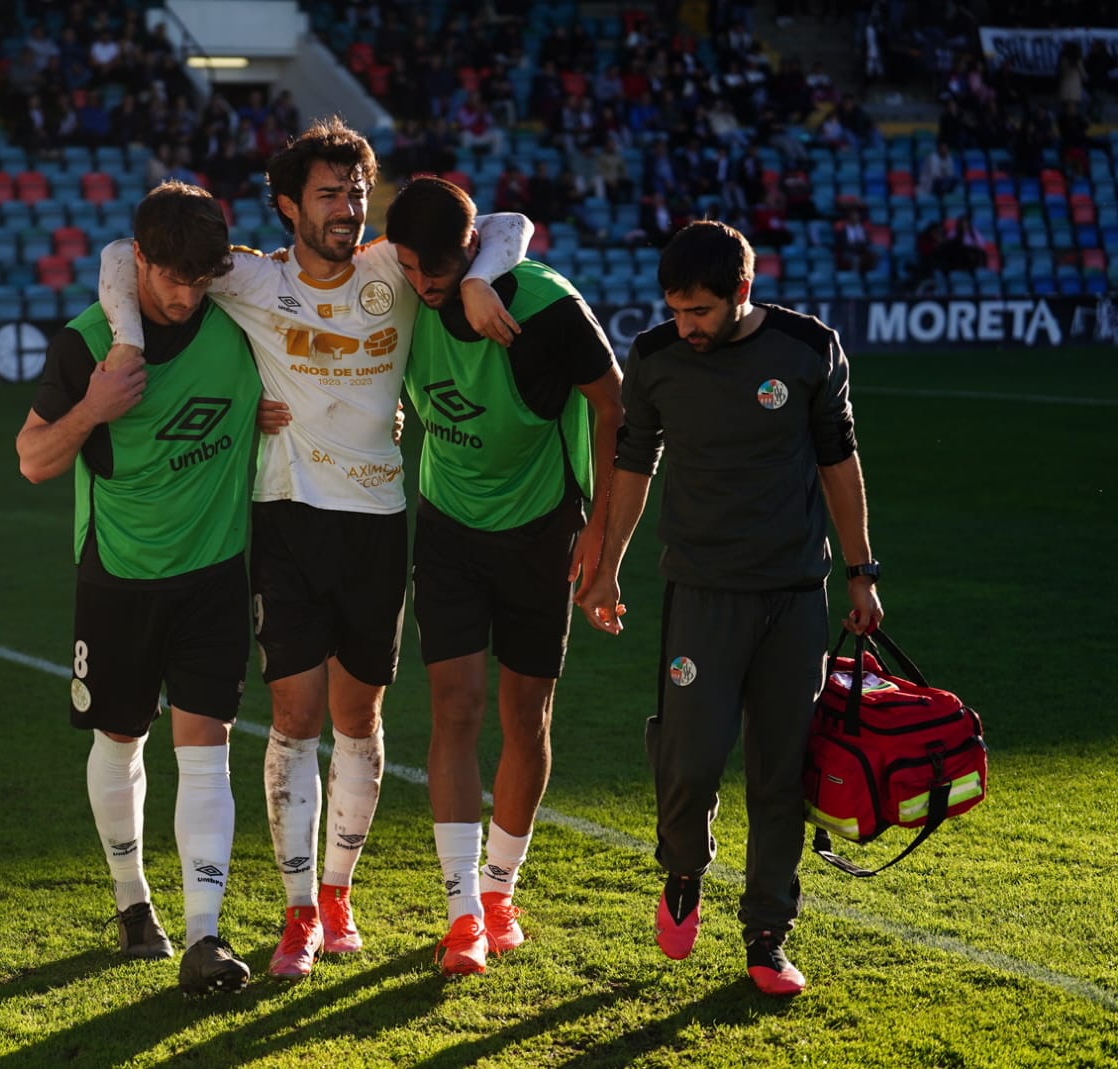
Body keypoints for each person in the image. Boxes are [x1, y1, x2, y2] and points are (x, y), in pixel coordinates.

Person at [98, 116, 532, 981]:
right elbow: (122, 254)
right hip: (287, 515)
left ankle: (338, 893)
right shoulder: (248, 278)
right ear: (291, 204)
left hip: (377, 519)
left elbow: (511, 226)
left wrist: (482, 278)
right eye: (331, 194)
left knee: (359, 719)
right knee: (294, 719)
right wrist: (125, 338)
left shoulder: (392, 267)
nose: (350, 208)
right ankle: (296, 912)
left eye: (358, 191)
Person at [576, 220, 883, 997]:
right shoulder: (654, 358)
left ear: (743, 291)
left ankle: (768, 935)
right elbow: (633, 465)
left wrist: (860, 573)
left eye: (701, 312)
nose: (688, 326)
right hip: (699, 598)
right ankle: (684, 870)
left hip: (792, 599)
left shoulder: (808, 350)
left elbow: (839, 462)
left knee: (781, 774)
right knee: (689, 760)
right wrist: (607, 568)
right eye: (677, 310)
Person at [15, 180, 260, 996]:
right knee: (119, 742)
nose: (186, 296)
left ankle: (204, 935)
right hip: (117, 575)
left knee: (207, 749)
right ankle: (131, 901)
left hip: (216, 572)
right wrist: (92, 408)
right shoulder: (90, 342)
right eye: (170, 278)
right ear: (141, 261)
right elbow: (34, 458)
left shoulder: (238, 325)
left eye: (200, 280)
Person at [383, 177, 624, 975]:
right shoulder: (399, 284)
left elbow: (612, 400)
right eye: (411, 269)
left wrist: (600, 528)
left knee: (528, 718)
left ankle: (498, 890)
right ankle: (460, 916)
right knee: (455, 707)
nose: (423, 285)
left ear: (471, 247)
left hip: (539, 529)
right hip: (447, 526)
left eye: (441, 268)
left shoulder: (545, 304)